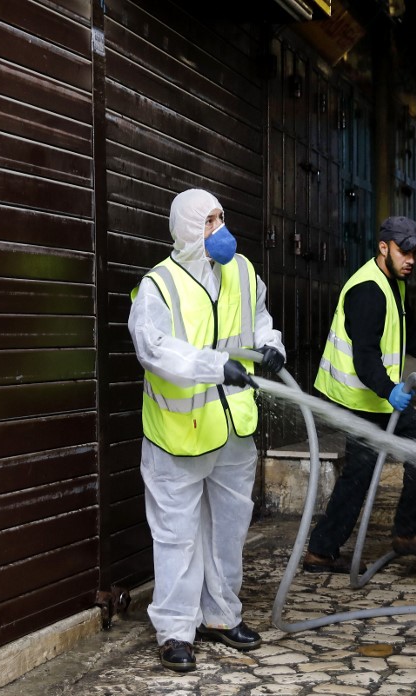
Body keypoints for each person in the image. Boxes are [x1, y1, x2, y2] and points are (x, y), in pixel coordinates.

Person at [127, 188, 287, 672]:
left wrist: (270, 343)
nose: (221, 228)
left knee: (228, 531)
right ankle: (176, 632)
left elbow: (257, 318)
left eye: (222, 216)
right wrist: (215, 366)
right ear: (187, 229)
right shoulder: (160, 285)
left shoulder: (241, 270)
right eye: (210, 220)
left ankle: (220, 616)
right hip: (177, 434)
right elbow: (153, 349)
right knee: (176, 536)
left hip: (233, 430)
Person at [304, 215, 416, 573]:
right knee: (364, 469)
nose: (410, 259)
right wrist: (389, 389)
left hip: (375, 396)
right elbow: (364, 357)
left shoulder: (394, 283)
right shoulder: (368, 290)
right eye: (403, 251)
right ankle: (324, 551)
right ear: (383, 248)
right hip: (358, 398)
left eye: (414, 252)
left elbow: (410, 332)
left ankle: (403, 535)